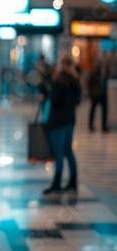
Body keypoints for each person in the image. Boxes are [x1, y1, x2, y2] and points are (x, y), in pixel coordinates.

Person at [43, 53, 81, 194]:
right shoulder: (75, 81)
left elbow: (54, 99)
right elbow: (77, 102)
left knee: (58, 152)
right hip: (70, 120)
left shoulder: (60, 81)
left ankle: (57, 182)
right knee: (68, 151)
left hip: (58, 121)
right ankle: (73, 181)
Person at [87, 58, 110, 132]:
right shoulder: (94, 72)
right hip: (95, 94)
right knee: (93, 110)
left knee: (105, 110)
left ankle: (103, 126)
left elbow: (108, 76)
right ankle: (90, 125)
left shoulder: (105, 73)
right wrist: (91, 93)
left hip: (103, 94)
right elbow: (89, 83)